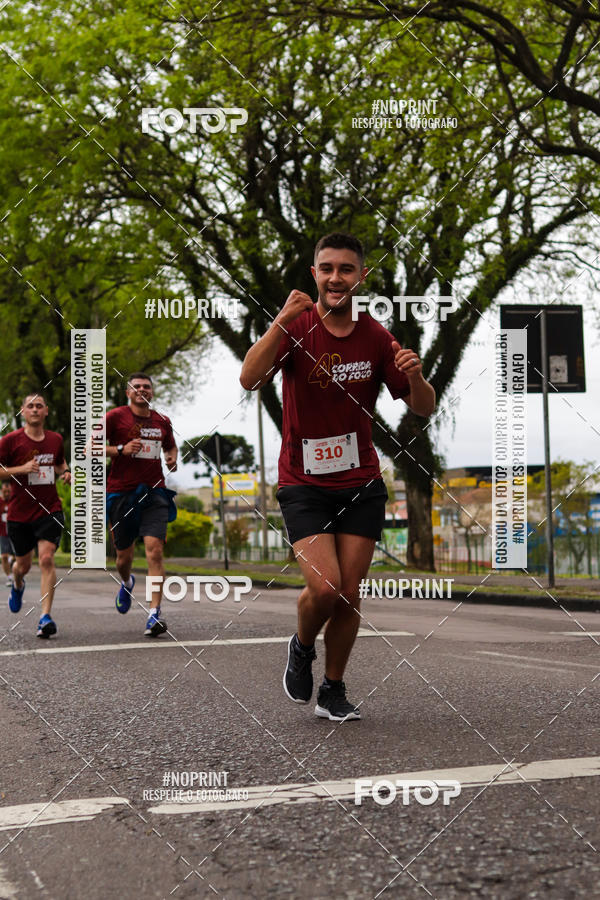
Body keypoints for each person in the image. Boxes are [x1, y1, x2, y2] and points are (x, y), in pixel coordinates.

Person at [240, 232, 435, 721]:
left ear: (361, 277)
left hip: (361, 482)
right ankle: (302, 644)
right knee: (325, 587)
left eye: (346, 269)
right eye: (326, 268)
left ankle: (332, 689)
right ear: (314, 275)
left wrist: (415, 375)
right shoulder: (296, 327)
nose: (336, 278)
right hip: (303, 482)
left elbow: (423, 409)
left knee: (350, 590)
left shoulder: (376, 337)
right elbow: (248, 378)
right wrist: (280, 323)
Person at [105, 373, 178, 637]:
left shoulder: (162, 421)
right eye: (136, 387)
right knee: (123, 557)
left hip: (154, 493)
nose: (142, 390)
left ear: (152, 392)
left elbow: (171, 447)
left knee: (154, 551)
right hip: (121, 494)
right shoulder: (114, 417)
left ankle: (154, 613)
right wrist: (121, 449)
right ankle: (126, 581)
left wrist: (171, 458)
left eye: (147, 386)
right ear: (128, 392)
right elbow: (89, 447)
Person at [0, 394, 71, 637]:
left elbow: (59, 462)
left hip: (49, 509)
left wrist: (66, 472)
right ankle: (18, 584)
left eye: (39, 406)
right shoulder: (10, 441)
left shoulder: (55, 439)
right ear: (22, 411)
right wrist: (22, 469)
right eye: (30, 406)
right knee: (23, 565)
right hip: (20, 514)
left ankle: (45, 616)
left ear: (46, 411)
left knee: (46, 559)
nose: (35, 409)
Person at [0, 482, 15, 586]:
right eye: (4, 491)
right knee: (4, 556)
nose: (6, 494)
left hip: (15, 533)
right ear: (1, 491)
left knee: (16, 556)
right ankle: (9, 577)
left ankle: (12, 560)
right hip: (3, 533)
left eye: (8, 491)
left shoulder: (15, 501)